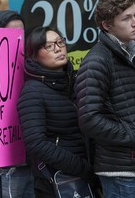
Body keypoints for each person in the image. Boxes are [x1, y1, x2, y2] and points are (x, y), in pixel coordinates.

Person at [75, 0, 135, 198]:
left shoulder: (130, 54)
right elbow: (89, 118)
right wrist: (131, 135)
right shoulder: (97, 60)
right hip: (122, 173)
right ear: (107, 26)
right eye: (126, 18)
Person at [16, 26, 96, 198]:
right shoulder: (32, 91)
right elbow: (36, 144)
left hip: (85, 177)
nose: (58, 48)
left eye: (60, 42)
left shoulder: (73, 82)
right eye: (49, 46)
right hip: (57, 180)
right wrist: (82, 167)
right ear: (34, 55)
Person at [0, 10, 35, 198]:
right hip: (2, 166)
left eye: (21, 33)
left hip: (30, 160)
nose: (19, 39)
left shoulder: (31, 66)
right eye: (11, 35)